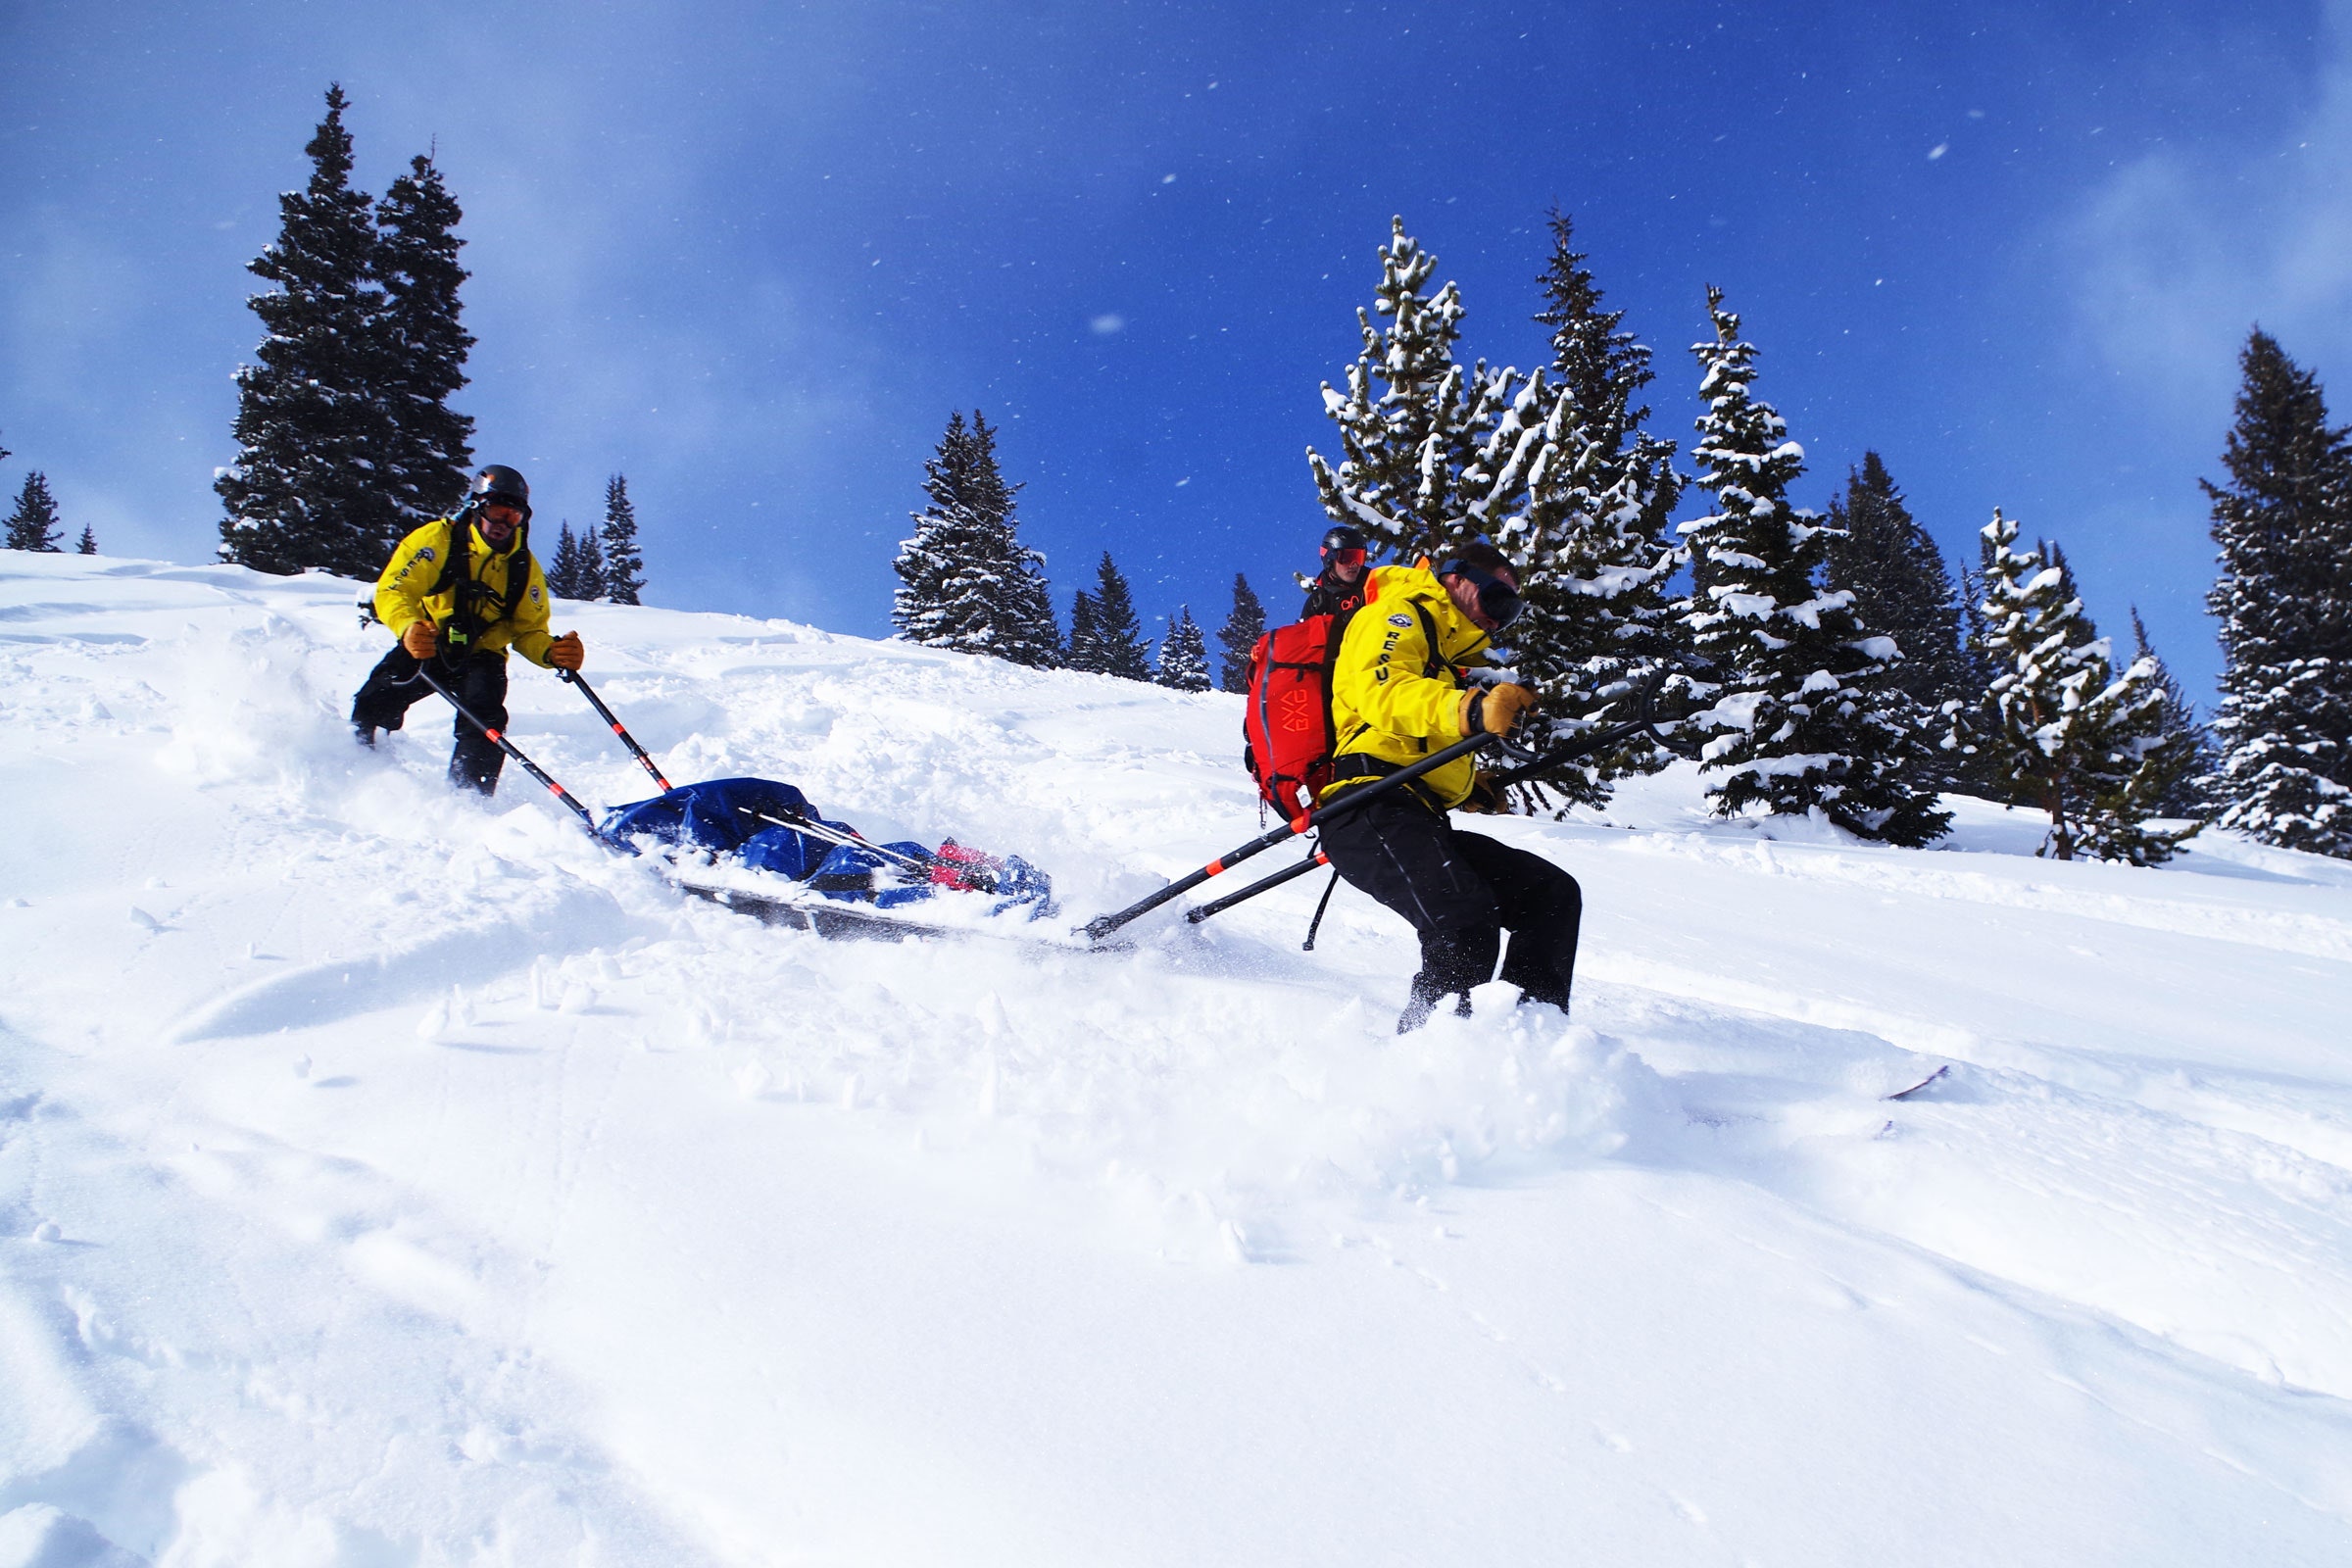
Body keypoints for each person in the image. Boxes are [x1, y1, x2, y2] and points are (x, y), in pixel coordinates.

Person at [1314, 541, 1583, 1032]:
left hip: (1414, 814)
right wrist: (1469, 709)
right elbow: (1383, 693)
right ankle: (1426, 1066)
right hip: (1364, 809)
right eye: (1499, 601)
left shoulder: (1443, 658)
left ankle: (1528, 1045)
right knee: (1462, 920)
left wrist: (1468, 787)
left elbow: (1409, 743)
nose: (1502, 620)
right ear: (1457, 578)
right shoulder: (1394, 615)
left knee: (1550, 895)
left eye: (1514, 611)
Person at [350, 465, 584, 794]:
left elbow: (528, 630)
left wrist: (550, 651)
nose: (502, 524)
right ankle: (360, 769)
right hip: (429, 643)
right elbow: (395, 590)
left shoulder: (523, 567)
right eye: (496, 511)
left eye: (513, 516)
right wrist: (407, 627)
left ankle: (469, 801)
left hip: (483, 656)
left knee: (485, 723)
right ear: (476, 506)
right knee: (375, 698)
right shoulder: (437, 540)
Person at [1299, 524, 1371, 618]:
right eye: (1347, 558)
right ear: (1330, 559)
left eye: (1359, 557)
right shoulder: (1318, 603)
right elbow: (1305, 632)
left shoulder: (1375, 583)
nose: (1354, 564)